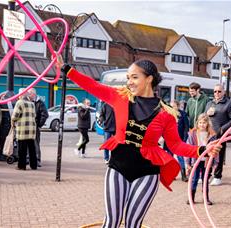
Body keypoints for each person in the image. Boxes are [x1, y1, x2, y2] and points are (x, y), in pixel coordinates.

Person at [56, 55, 221, 228]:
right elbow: (93, 86)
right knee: (111, 221)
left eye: (135, 77)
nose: (130, 82)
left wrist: (202, 150)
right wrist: (67, 69)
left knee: (133, 224)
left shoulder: (166, 113)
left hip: (147, 173)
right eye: (128, 78)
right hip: (118, 167)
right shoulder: (120, 97)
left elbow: (176, 145)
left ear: (149, 79)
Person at [205, 84, 231, 186]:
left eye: (219, 91)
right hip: (209, 134)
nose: (217, 93)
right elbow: (204, 117)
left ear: (223, 92)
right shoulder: (209, 103)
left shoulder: (229, 103)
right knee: (207, 154)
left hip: (220, 135)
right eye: (215, 91)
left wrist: (222, 129)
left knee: (219, 154)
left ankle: (218, 176)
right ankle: (206, 174)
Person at [186, 113, 217, 205]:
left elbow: (215, 149)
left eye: (204, 122)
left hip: (206, 161)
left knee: (205, 179)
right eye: (200, 122)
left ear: (208, 123)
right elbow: (188, 148)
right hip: (196, 160)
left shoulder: (212, 135)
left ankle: (205, 198)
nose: (202, 124)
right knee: (194, 179)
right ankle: (191, 197)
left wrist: (215, 162)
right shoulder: (193, 134)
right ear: (197, 123)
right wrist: (187, 162)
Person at [11, 89, 37, 170]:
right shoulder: (32, 104)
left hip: (22, 129)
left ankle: (21, 166)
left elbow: (15, 115)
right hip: (32, 129)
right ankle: (34, 165)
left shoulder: (20, 102)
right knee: (32, 149)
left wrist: (12, 120)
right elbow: (35, 115)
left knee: (22, 149)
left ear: (21, 95)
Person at [29, 88, 49, 167]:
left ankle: (37, 159)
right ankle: (29, 159)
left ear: (33, 94)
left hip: (35, 126)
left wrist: (39, 124)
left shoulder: (40, 103)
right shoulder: (28, 102)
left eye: (29, 93)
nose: (28, 95)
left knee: (36, 143)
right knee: (28, 143)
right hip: (28, 126)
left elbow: (45, 114)